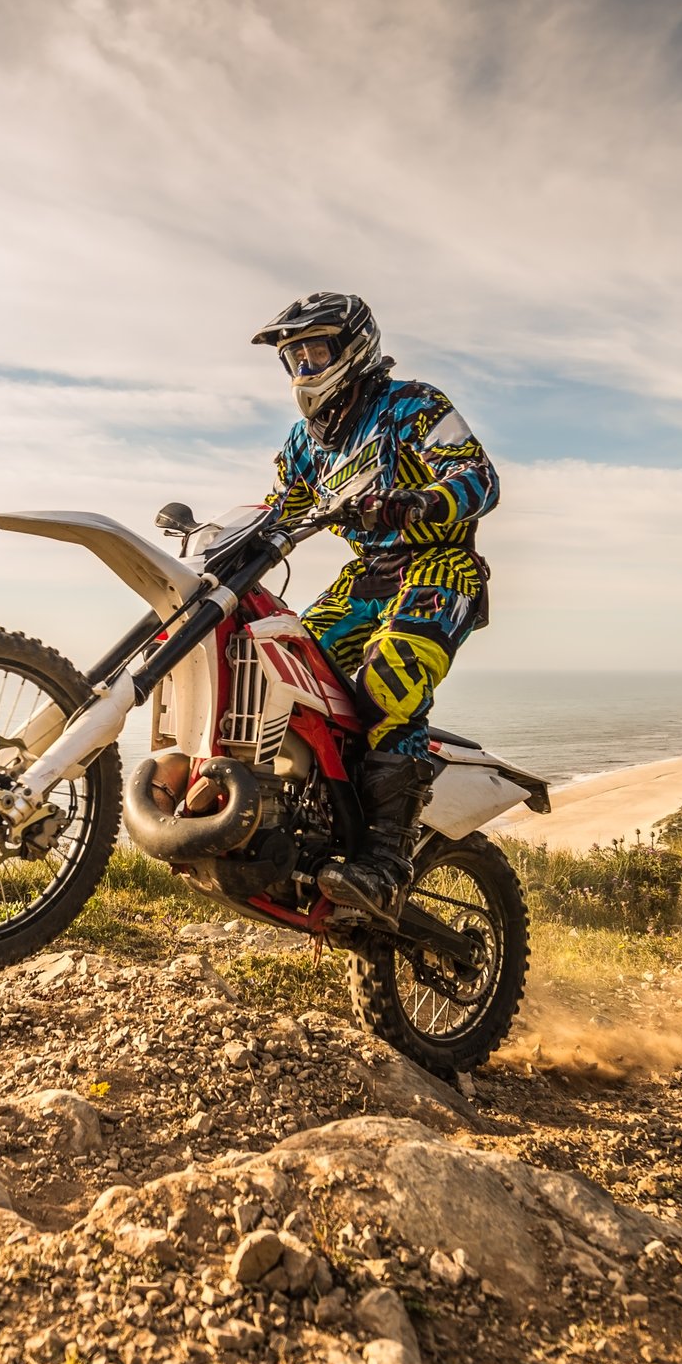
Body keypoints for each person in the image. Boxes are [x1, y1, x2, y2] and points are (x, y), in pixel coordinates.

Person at [253, 292, 500, 922]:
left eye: (315, 350)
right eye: (294, 356)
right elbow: (277, 509)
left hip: (438, 565)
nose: (304, 366)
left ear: (354, 347)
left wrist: (417, 502)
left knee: (389, 679)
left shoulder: (413, 404)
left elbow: (479, 477)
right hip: (364, 577)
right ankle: (304, 823)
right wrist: (227, 538)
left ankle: (386, 862)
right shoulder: (304, 443)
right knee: (279, 670)